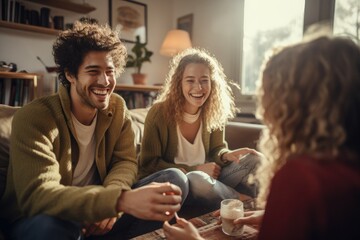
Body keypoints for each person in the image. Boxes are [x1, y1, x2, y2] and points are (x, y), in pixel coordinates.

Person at [0, 21, 189, 240]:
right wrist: (117, 200)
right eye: (93, 71)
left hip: (101, 213)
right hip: (40, 219)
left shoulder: (117, 108)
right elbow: (39, 194)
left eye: (110, 71)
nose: (105, 81)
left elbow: (125, 161)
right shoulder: (35, 117)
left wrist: (111, 204)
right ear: (70, 74)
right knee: (57, 225)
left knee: (174, 181)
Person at [162, 35, 360, 240]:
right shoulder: (345, 169)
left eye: (267, 94)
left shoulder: (299, 178)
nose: (262, 112)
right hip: (191, 180)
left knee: (254, 158)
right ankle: (238, 198)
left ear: (294, 105)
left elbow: (217, 150)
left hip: (215, 176)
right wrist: (271, 216)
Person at [139, 48, 261, 212]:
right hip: (186, 185)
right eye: (190, 80)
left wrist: (226, 155)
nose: (198, 87)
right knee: (197, 179)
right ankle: (240, 201)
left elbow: (217, 148)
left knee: (254, 158)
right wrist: (194, 169)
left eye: (204, 80)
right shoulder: (159, 113)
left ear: (212, 83)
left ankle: (251, 205)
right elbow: (149, 164)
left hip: (213, 180)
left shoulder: (213, 110)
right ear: (179, 82)